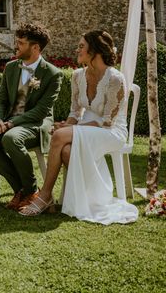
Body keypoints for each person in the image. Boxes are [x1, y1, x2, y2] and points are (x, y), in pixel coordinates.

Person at [20, 31, 138, 223]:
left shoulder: (115, 79)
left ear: (95, 50)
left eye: (82, 46)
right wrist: (67, 125)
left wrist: (68, 130)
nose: (78, 49)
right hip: (88, 128)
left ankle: (45, 196)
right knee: (66, 150)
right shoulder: (77, 76)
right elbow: (75, 113)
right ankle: (87, 198)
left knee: (59, 137)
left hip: (111, 132)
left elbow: (107, 121)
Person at [0, 23, 63, 210]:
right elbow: (1, 101)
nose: (16, 46)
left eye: (21, 43)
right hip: (8, 122)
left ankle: (29, 190)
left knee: (11, 138)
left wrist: (9, 125)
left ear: (35, 48)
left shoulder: (53, 74)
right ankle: (24, 191)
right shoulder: (10, 68)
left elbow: (41, 111)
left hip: (35, 125)